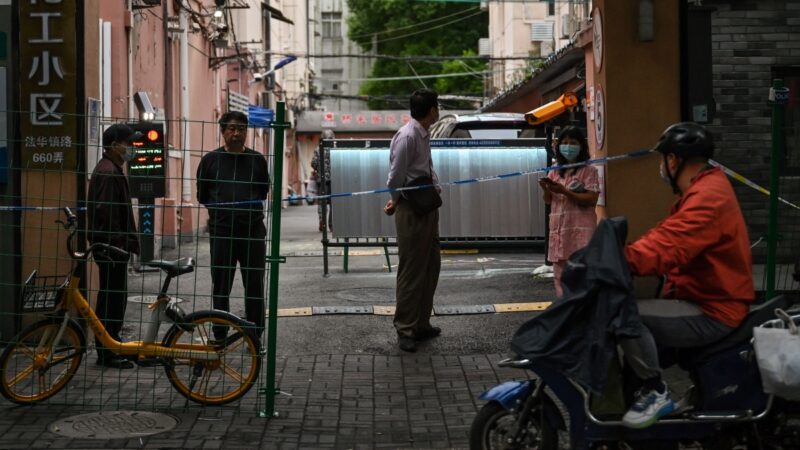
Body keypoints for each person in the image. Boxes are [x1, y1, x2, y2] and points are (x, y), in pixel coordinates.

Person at [619, 122, 755, 429]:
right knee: (632, 354)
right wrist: (625, 252)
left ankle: (656, 393)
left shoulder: (708, 196)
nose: (661, 167)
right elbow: (666, 236)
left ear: (672, 160)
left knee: (627, 316)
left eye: (662, 160)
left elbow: (671, 244)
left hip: (713, 311)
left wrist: (623, 258)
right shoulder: (704, 188)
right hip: (702, 299)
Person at [197, 111, 271, 340]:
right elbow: (202, 194)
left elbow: (262, 191)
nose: (236, 133)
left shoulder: (257, 160)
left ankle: (255, 331)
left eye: (241, 129)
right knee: (221, 284)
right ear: (223, 132)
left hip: (252, 233)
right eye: (231, 129)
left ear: (246, 132)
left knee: (255, 283)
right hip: (222, 233)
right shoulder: (210, 160)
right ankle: (220, 331)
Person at [383, 88, 442, 353]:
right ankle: (405, 328)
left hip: (426, 204)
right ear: (432, 110)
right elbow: (395, 178)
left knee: (430, 264)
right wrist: (396, 201)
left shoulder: (421, 133)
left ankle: (421, 323)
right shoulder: (408, 137)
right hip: (411, 207)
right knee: (411, 269)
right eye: (437, 106)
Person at [87, 124, 142, 369]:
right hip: (111, 249)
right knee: (112, 299)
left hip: (111, 247)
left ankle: (112, 343)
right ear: (114, 145)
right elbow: (107, 215)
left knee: (114, 298)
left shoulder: (111, 168)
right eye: (128, 142)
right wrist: (120, 245)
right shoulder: (109, 172)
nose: (131, 147)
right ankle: (107, 351)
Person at [538, 126, 599, 298]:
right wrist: (546, 189)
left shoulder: (589, 170)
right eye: (564, 143)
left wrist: (564, 191)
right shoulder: (555, 169)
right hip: (559, 231)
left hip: (580, 229)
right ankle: (564, 307)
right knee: (560, 275)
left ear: (581, 145)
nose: (568, 146)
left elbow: (591, 199)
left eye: (573, 143)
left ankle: (581, 310)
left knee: (580, 272)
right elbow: (549, 201)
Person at [311, 129, 334, 232]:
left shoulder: (318, 149)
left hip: (322, 180)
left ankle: (322, 222)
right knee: (334, 202)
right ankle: (332, 224)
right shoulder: (335, 148)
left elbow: (313, 163)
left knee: (322, 202)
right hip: (334, 179)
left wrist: (319, 169)